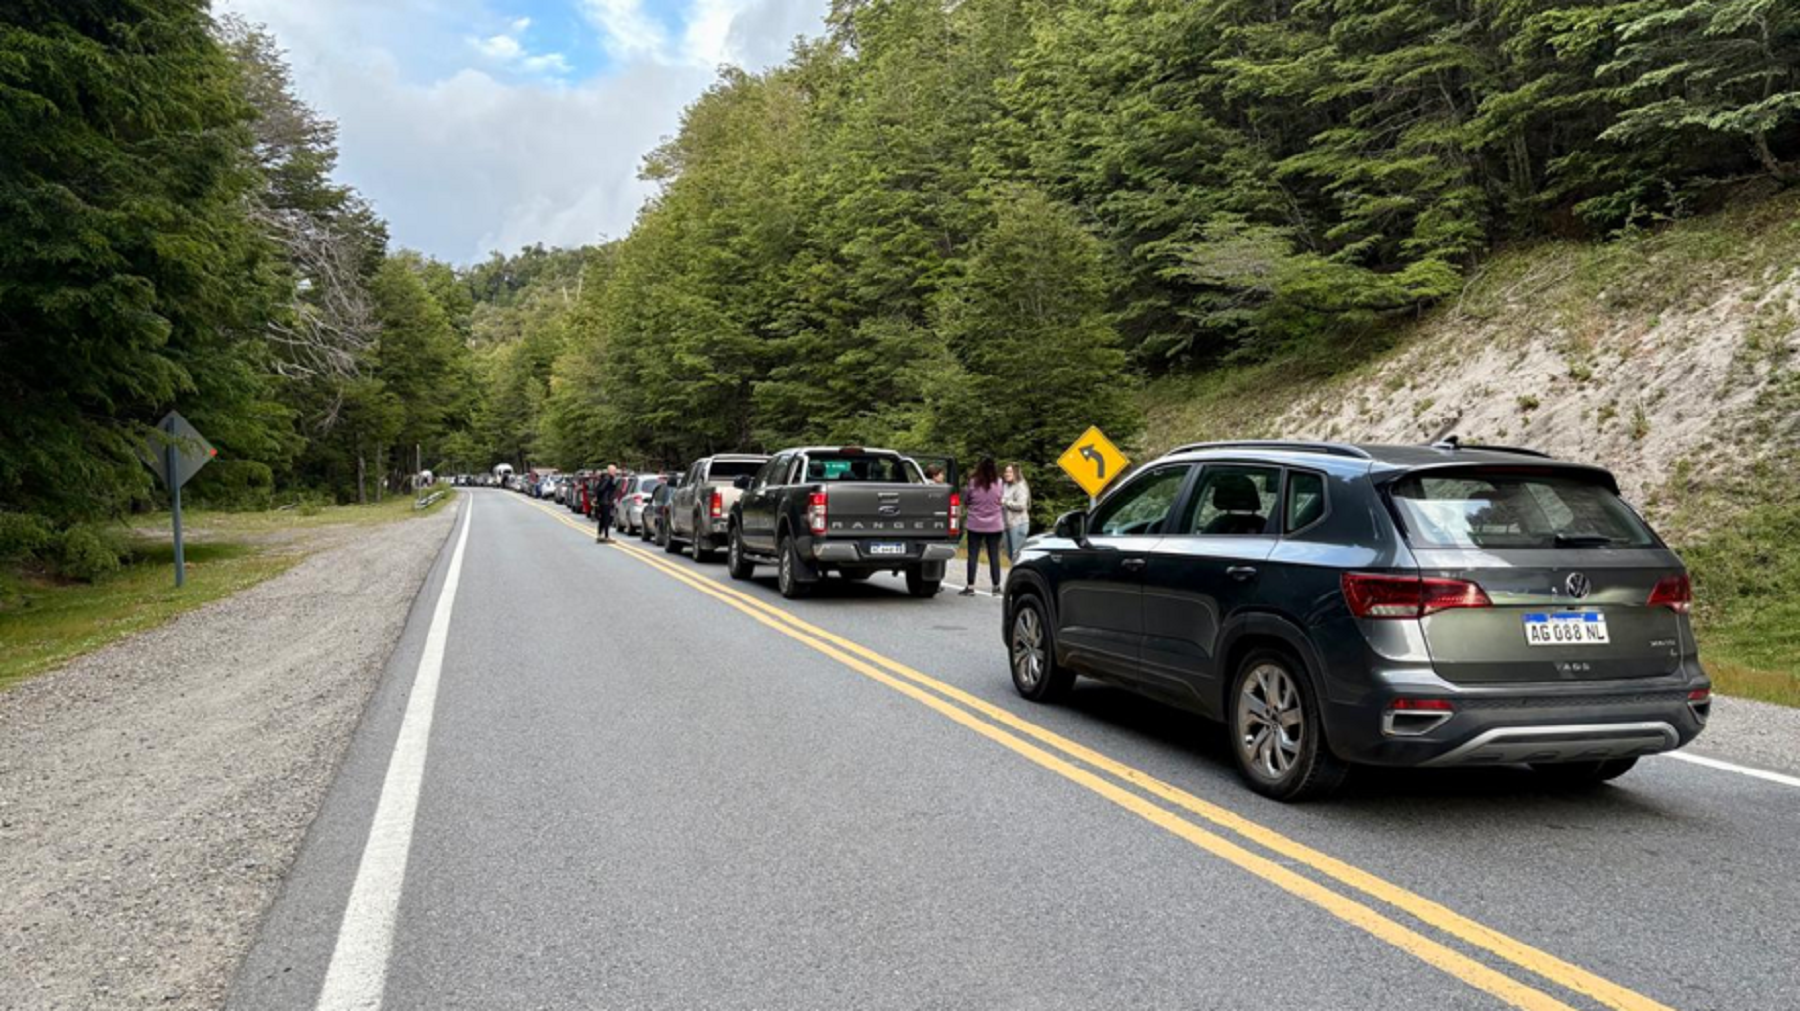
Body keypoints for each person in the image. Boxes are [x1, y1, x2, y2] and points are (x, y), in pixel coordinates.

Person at [961, 457, 1005, 596]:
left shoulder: (973, 483)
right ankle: (996, 586)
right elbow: (1000, 499)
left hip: (975, 524)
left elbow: (967, 500)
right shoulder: (999, 482)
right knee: (994, 556)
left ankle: (970, 586)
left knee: (973, 555)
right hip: (995, 524)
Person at [1002, 463, 1031, 562]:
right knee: (1010, 555)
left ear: (1016, 473)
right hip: (1007, 525)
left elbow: (1022, 506)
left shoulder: (1020, 486)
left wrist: (1005, 502)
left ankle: (1021, 577)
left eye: (1010, 472)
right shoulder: (1005, 486)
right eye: (1006, 471)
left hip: (1018, 524)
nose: (1007, 474)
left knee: (1017, 555)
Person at [594, 465, 620, 543]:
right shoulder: (608, 478)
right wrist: (601, 498)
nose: (615, 472)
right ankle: (606, 536)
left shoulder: (605, 478)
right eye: (614, 471)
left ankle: (600, 535)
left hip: (604, 501)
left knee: (603, 519)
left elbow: (598, 489)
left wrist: (598, 499)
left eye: (615, 470)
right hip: (605, 501)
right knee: (606, 519)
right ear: (609, 471)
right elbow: (601, 489)